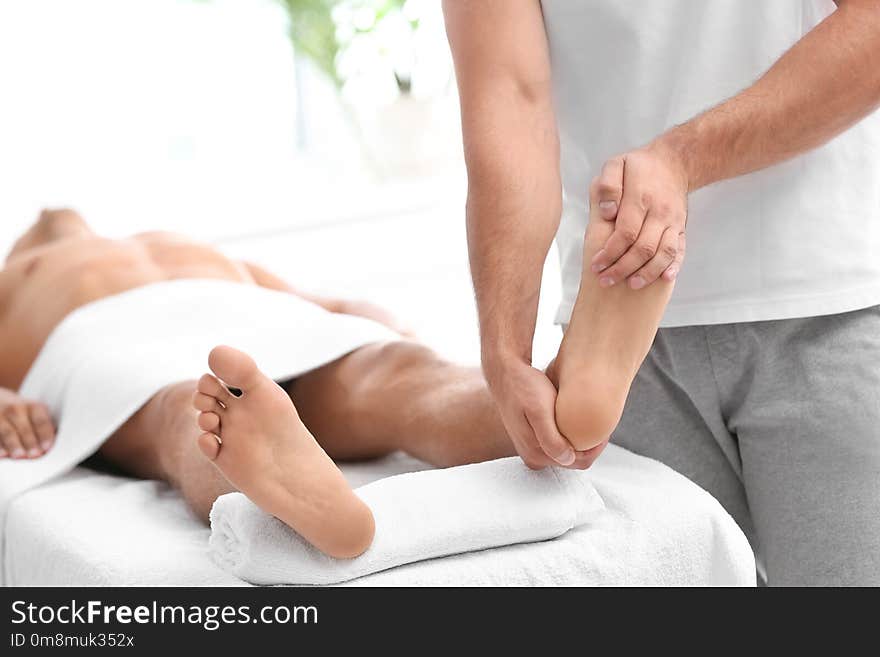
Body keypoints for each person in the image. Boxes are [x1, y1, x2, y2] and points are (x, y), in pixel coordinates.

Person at [444, 0, 880, 584]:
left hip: (831, 303)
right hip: (623, 350)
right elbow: (509, 99)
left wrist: (681, 159)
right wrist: (503, 350)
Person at [0, 209, 596, 559]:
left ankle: (562, 399)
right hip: (107, 337)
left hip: (253, 316)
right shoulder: (11, 277)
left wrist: (379, 328)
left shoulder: (174, 241)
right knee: (190, 406)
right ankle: (567, 409)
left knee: (390, 369)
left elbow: (325, 303)